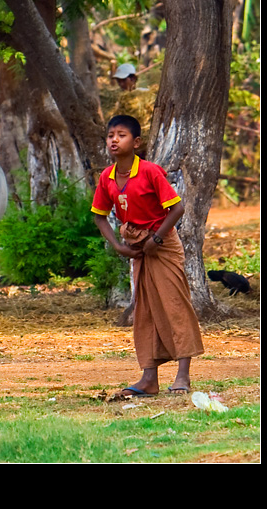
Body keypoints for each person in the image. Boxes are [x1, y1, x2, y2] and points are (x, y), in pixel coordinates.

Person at [91, 115, 204, 399]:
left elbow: (176, 209)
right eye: (110, 136)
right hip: (138, 248)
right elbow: (99, 216)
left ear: (136, 142)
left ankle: (183, 375)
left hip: (162, 245)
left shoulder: (151, 171)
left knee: (174, 305)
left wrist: (156, 239)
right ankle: (149, 378)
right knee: (146, 311)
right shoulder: (108, 177)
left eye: (121, 135)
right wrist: (117, 245)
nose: (114, 140)